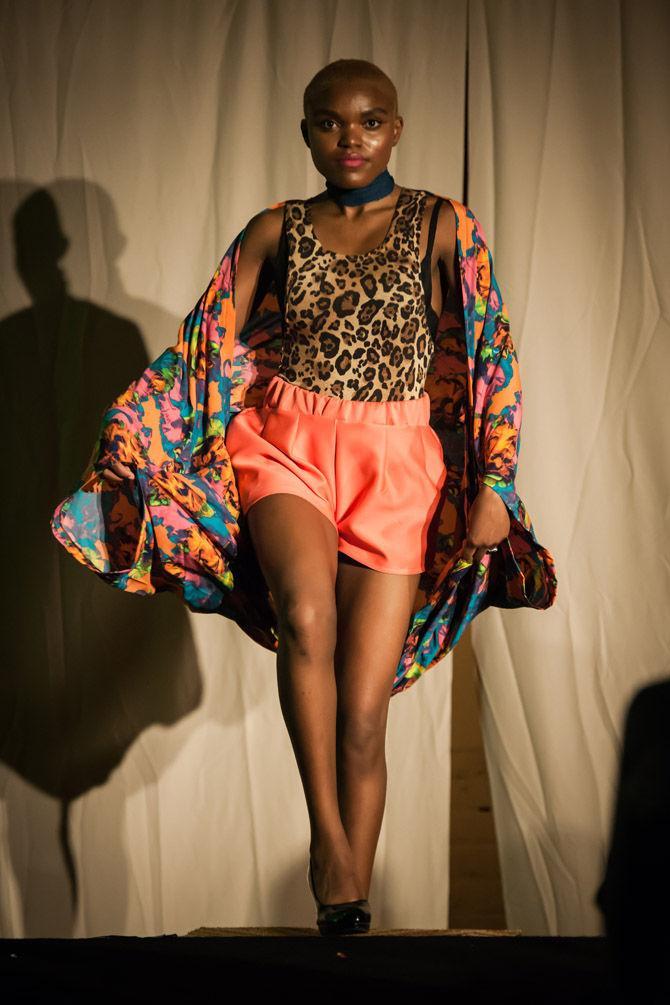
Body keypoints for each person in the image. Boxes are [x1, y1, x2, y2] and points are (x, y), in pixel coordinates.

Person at [51, 58, 558, 936]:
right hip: (287, 447)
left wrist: (500, 482)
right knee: (307, 617)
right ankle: (330, 840)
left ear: (396, 128)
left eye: (369, 121)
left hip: (398, 465)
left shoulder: (441, 224)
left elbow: (492, 351)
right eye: (330, 122)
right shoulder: (273, 230)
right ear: (307, 134)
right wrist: (138, 435)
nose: (350, 137)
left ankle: (348, 910)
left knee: (364, 713)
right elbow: (204, 352)